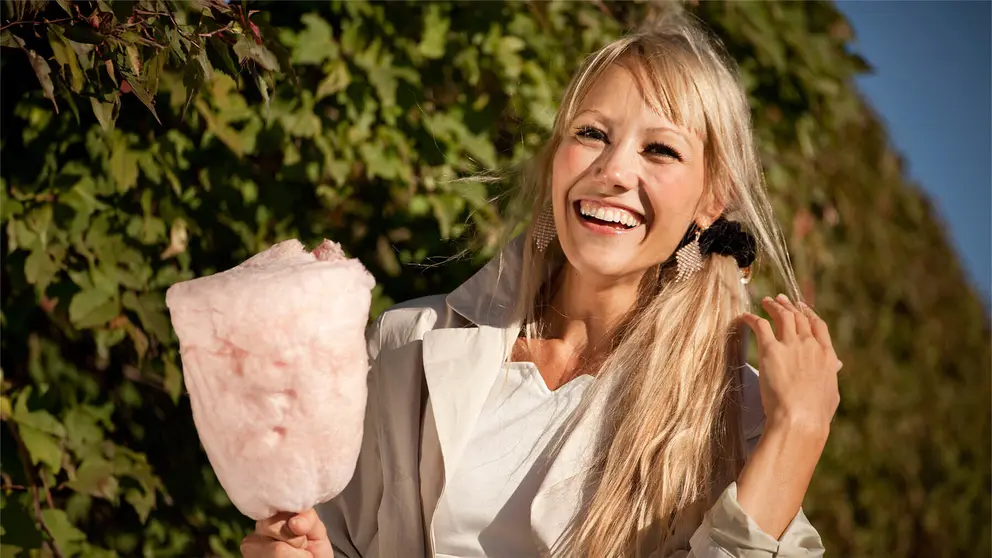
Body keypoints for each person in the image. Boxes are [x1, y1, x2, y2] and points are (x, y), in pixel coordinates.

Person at [241, 11, 840, 558]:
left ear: (711, 200)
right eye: (591, 134)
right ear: (556, 155)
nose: (612, 171)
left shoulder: (736, 421)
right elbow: (344, 538)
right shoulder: (406, 343)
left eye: (660, 150)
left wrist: (800, 433)